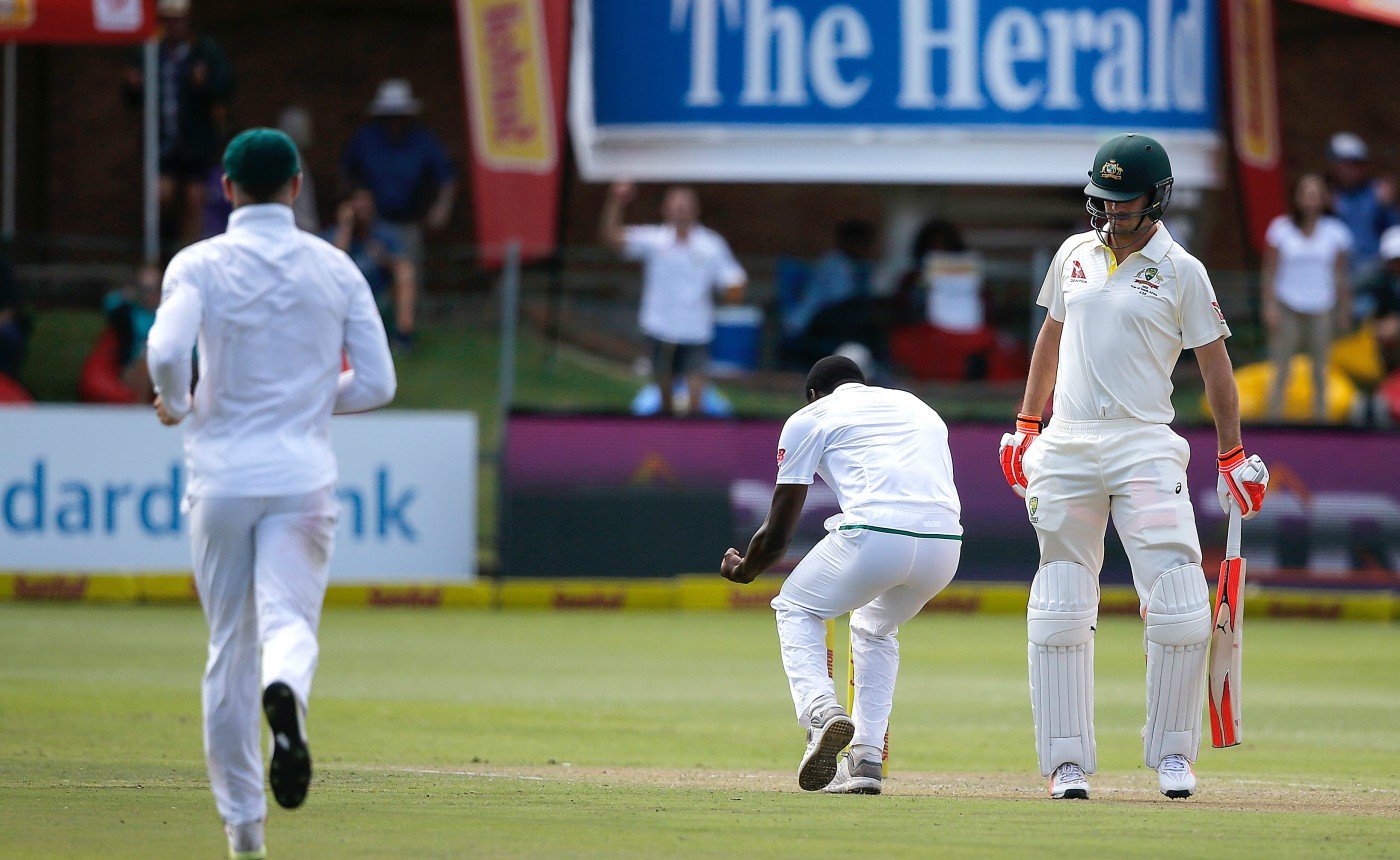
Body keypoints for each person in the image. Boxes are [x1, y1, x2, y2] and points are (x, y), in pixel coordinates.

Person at [146, 128, 396, 860]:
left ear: (225, 189)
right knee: (289, 624)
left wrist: (180, 400)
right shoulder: (335, 266)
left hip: (221, 479)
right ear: (295, 187)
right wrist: (311, 401)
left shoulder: (199, 262)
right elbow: (379, 382)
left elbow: (164, 350)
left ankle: (246, 833)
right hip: (300, 476)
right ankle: (286, 689)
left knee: (228, 648)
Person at [998, 133, 1269, 801]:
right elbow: (1050, 338)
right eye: (1105, 200)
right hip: (1068, 444)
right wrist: (1026, 425)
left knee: (1178, 603)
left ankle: (1174, 758)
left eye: (1126, 202)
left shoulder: (1183, 269)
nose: (1113, 213)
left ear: (1158, 198)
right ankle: (1066, 766)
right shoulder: (1072, 255)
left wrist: (1230, 450)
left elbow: (1215, 368)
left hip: (1145, 442)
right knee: (1060, 599)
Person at [721, 355, 962, 795]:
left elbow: (777, 534)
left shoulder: (809, 417)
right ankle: (867, 758)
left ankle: (821, 712)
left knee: (795, 606)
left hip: (876, 535)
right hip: (945, 546)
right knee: (875, 628)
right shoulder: (915, 405)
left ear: (813, 394)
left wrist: (744, 570)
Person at [600, 182, 747, 415]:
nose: (680, 211)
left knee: (696, 401)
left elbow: (733, 279)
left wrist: (734, 292)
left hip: (695, 331)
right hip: (659, 328)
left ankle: (695, 446)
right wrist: (616, 201)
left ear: (695, 210)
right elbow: (612, 238)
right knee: (664, 400)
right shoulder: (654, 240)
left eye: (685, 206)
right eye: (675, 206)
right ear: (666, 210)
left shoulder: (710, 244)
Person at [124, 0, 234, 252]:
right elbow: (132, 99)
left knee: (195, 199)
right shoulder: (151, 51)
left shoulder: (205, 51)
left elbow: (224, 89)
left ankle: (188, 253)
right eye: (169, 19)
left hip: (196, 142)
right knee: (160, 195)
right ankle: (157, 250)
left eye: (180, 19)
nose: (175, 25)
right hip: (163, 141)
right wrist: (132, 86)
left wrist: (204, 84)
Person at [341, 80, 456, 288]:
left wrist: (441, 208)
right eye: (389, 116)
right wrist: (357, 206)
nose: (394, 122)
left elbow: (446, 176)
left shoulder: (423, 140)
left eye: (399, 116)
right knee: (373, 276)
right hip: (374, 223)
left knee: (408, 275)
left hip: (409, 223)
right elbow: (347, 175)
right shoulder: (366, 139)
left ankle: (409, 317)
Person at [1262, 173, 1353, 421]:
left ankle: (1321, 422)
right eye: (1306, 193)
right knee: (1281, 368)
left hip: (1322, 307)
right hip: (1287, 305)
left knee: (1321, 370)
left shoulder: (1336, 232)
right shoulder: (1280, 229)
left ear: (1324, 198)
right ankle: (1274, 421)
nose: (1310, 200)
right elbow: (1270, 271)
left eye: (1316, 194)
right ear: (1297, 197)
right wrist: (1269, 306)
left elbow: (1341, 274)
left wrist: (1344, 309)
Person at [326, 188, 416, 350]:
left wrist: (384, 258)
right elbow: (332, 266)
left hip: (379, 298)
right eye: (357, 202)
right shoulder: (334, 235)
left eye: (366, 202)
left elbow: (401, 266)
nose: (362, 207)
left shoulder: (384, 233)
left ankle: (404, 334)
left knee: (405, 272)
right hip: (346, 301)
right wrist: (346, 226)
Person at [1327, 132, 1398, 287]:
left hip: (1374, 272)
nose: (1351, 169)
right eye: (1346, 163)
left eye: (1357, 163)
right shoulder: (1327, 194)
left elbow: (1394, 232)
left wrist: (1389, 205)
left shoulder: (1376, 193)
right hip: (1337, 271)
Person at [1361, 226, 1400, 369]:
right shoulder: (1379, 276)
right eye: (1393, 260)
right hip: (1384, 327)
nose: (1396, 265)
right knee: (1362, 306)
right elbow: (1354, 287)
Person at [279, 106, 321, 233]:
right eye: (305, 127)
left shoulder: (296, 158)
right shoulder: (288, 161)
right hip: (296, 229)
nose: (309, 132)